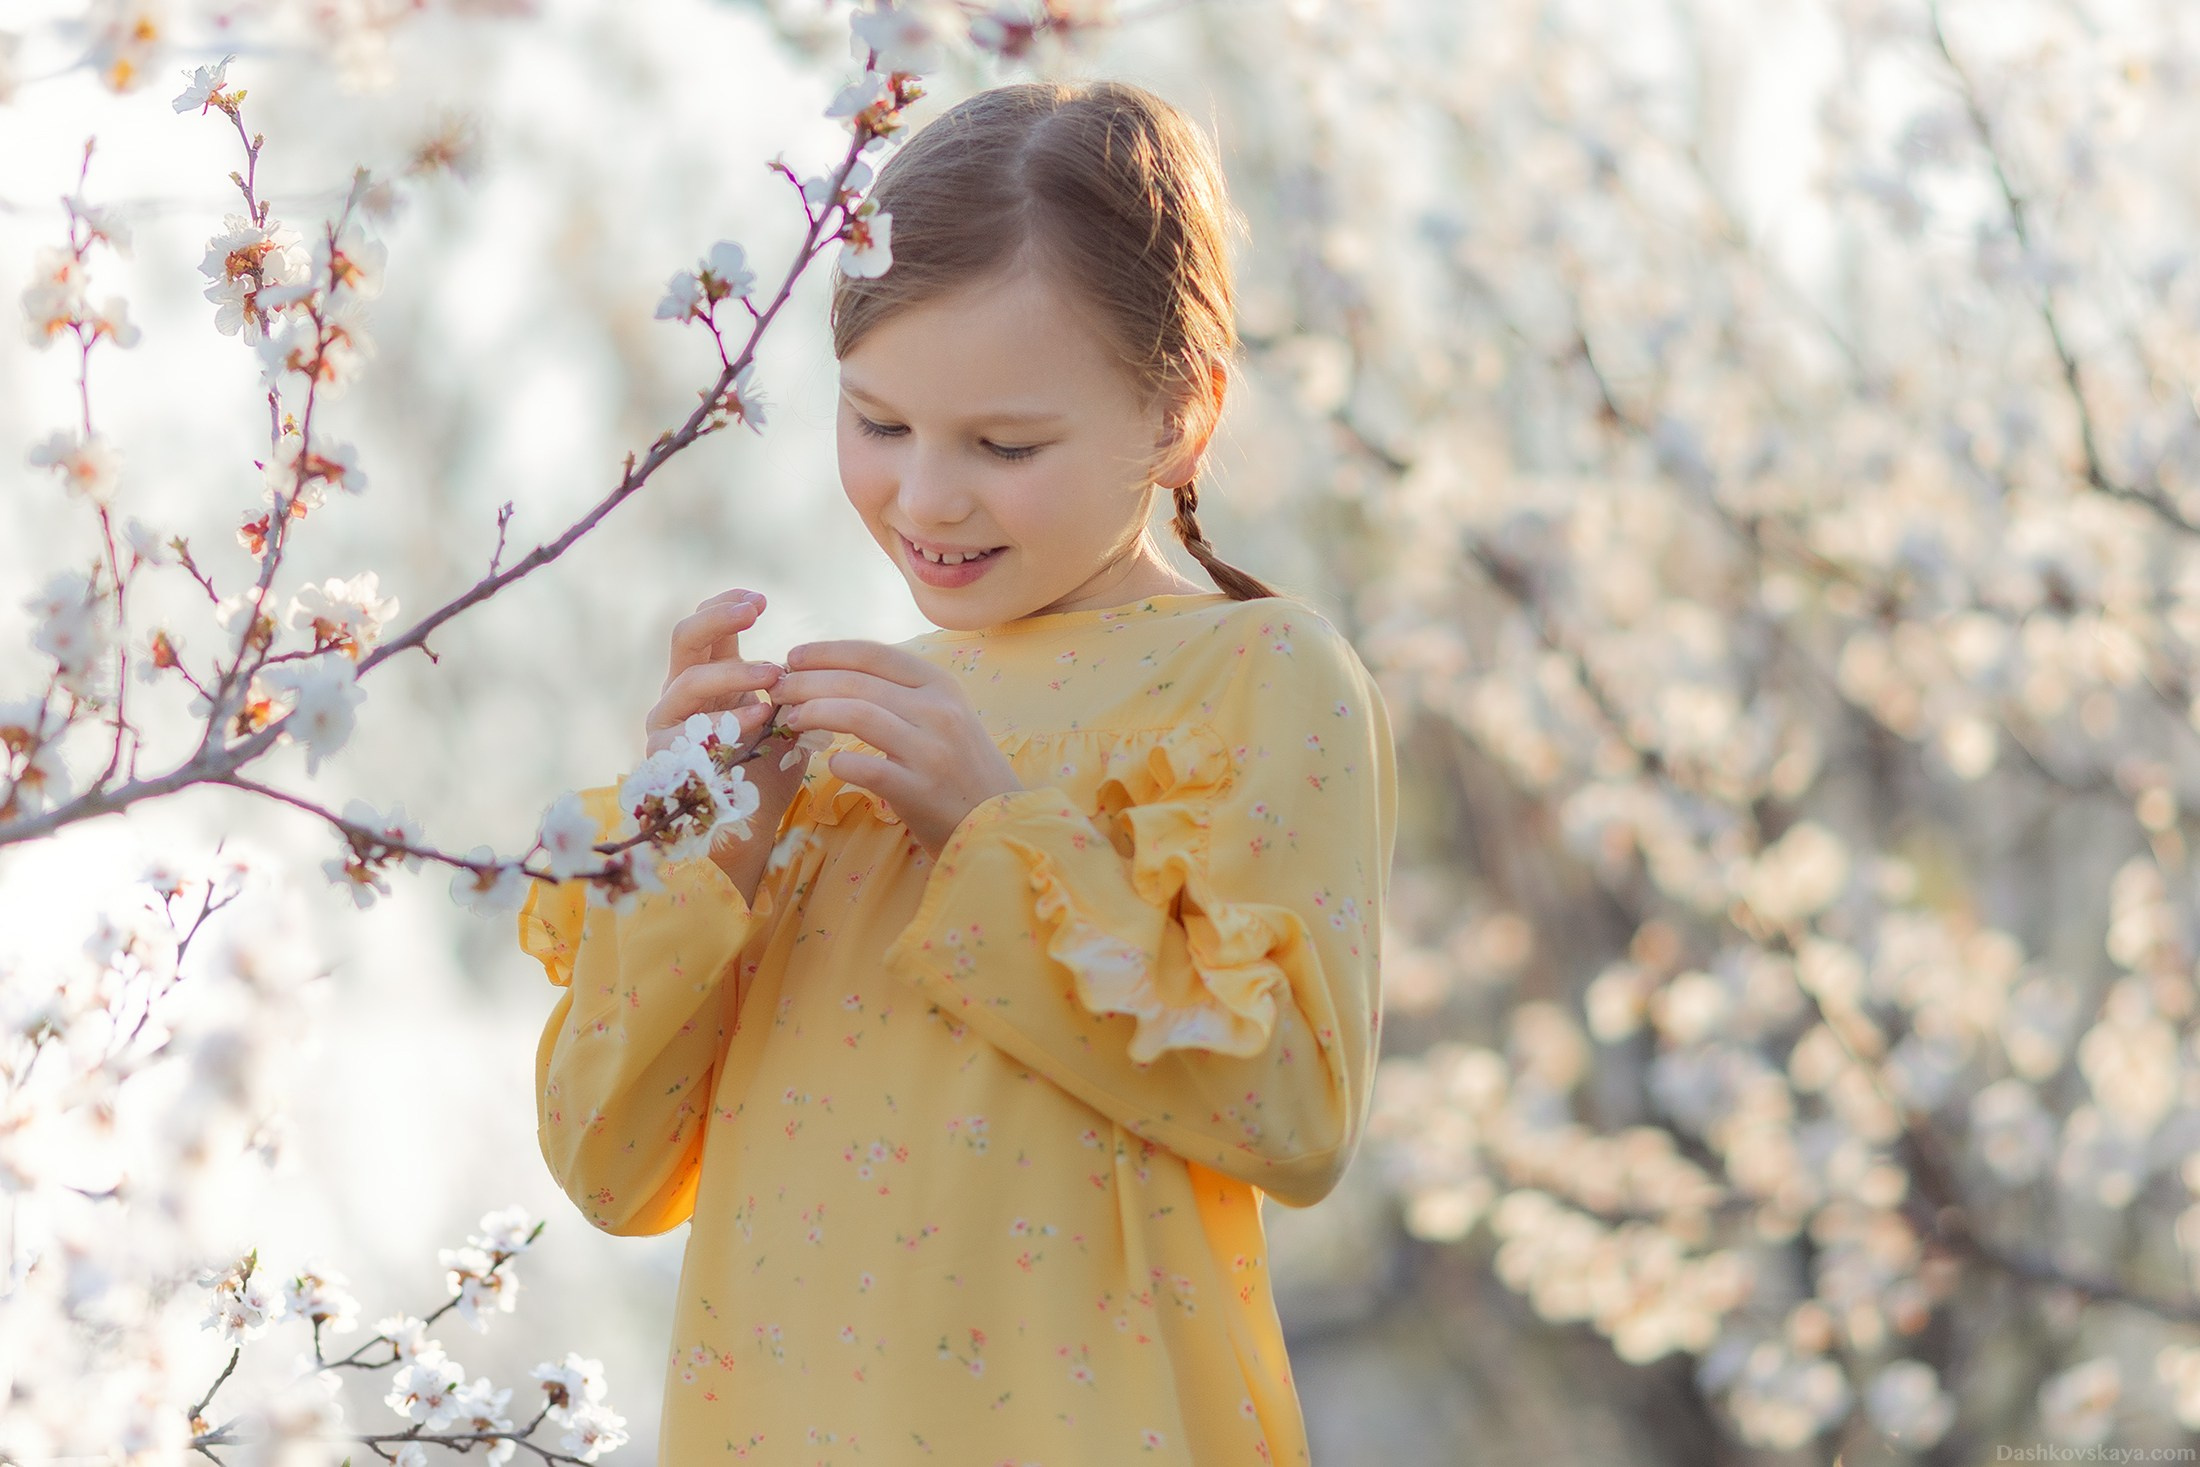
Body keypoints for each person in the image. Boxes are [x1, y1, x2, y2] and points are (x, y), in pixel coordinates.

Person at [518, 78, 1398, 1465]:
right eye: (878, 424)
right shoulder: (830, 742)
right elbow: (611, 1167)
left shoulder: (1252, 676)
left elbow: (1288, 1109)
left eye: (1004, 445)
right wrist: (701, 849)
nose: (927, 499)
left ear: (1181, 414)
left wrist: (995, 835)